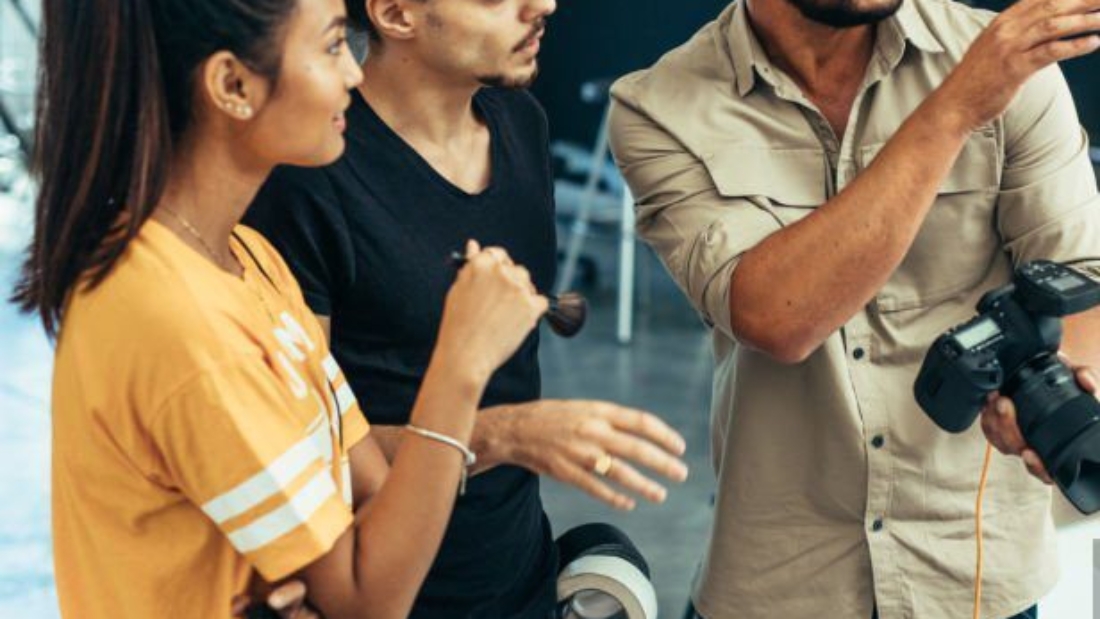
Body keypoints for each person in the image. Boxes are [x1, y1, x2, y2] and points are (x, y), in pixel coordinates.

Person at [12, 0, 557, 617]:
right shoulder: (176, 319)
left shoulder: (250, 260)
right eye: (330, 48)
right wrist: (461, 365)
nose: (353, 75)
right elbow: (368, 601)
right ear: (234, 85)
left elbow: (371, 490)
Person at [608, 0, 1100, 616]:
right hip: (782, 576)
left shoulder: (1008, 60)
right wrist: (953, 110)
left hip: (970, 569)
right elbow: (776, 316)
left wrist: (1061, 384)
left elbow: (1080, 271)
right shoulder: (659, 105)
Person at [245, 1, 690, 617]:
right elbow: (308, 458)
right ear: (397, 13)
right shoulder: (305, 180)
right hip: (389, 594)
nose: (542, 6)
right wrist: (507, 435)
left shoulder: (520, 122)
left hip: (518, 578)